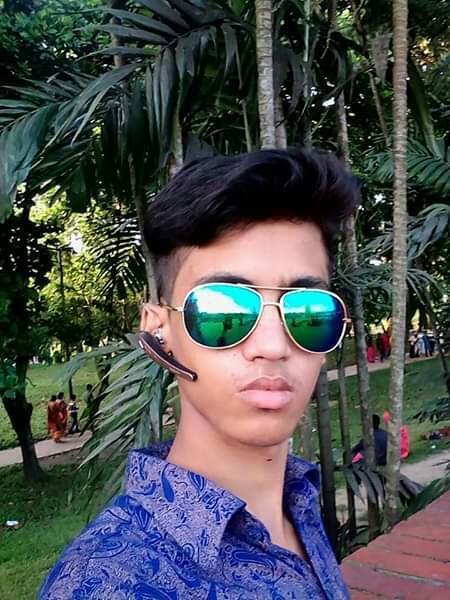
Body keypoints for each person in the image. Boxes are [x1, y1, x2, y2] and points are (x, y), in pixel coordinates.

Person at [40, 149, 357, 599]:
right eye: (223, 311)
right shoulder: (107, 584)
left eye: (308, 313)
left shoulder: (298, 502)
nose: (273, 347)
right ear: (159, 331)